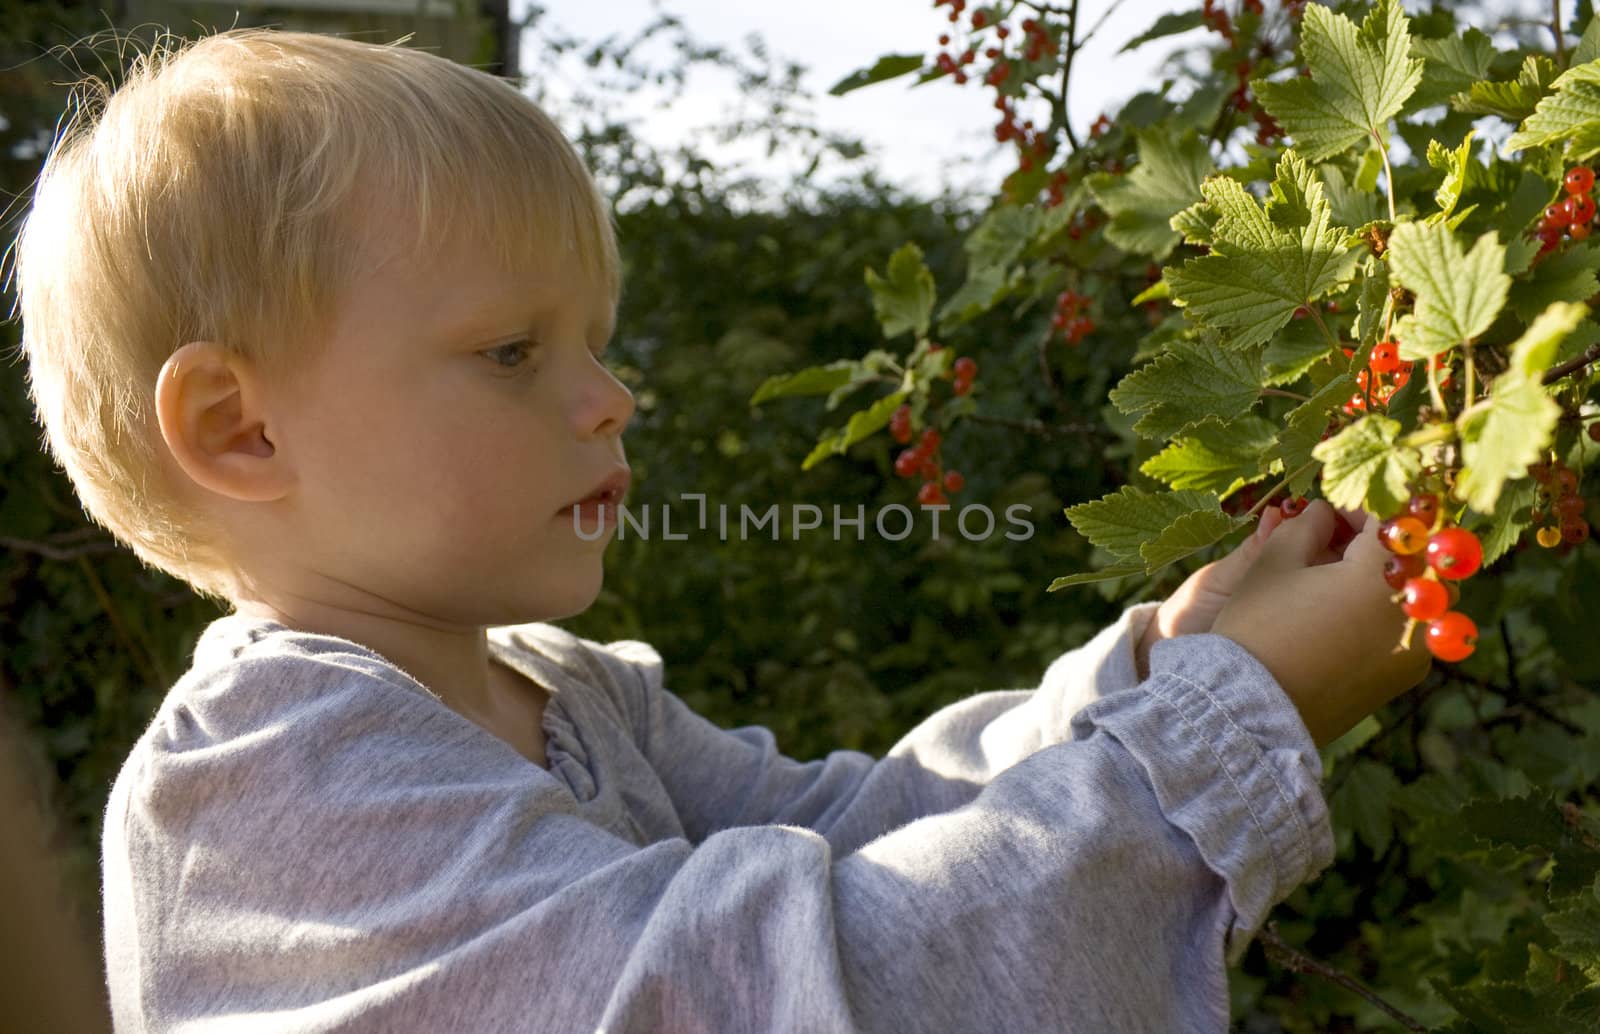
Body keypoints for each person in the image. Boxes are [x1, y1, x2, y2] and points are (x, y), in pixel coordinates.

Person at [9, 26, 1432, 1033]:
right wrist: (1226, 734)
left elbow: (873, 828)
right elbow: (789, 994)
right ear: (240, 430)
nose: (610, 396)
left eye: (598, 342)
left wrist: (1158, 670)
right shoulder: (271, 781)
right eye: (512, 350)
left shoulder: (567, 691)